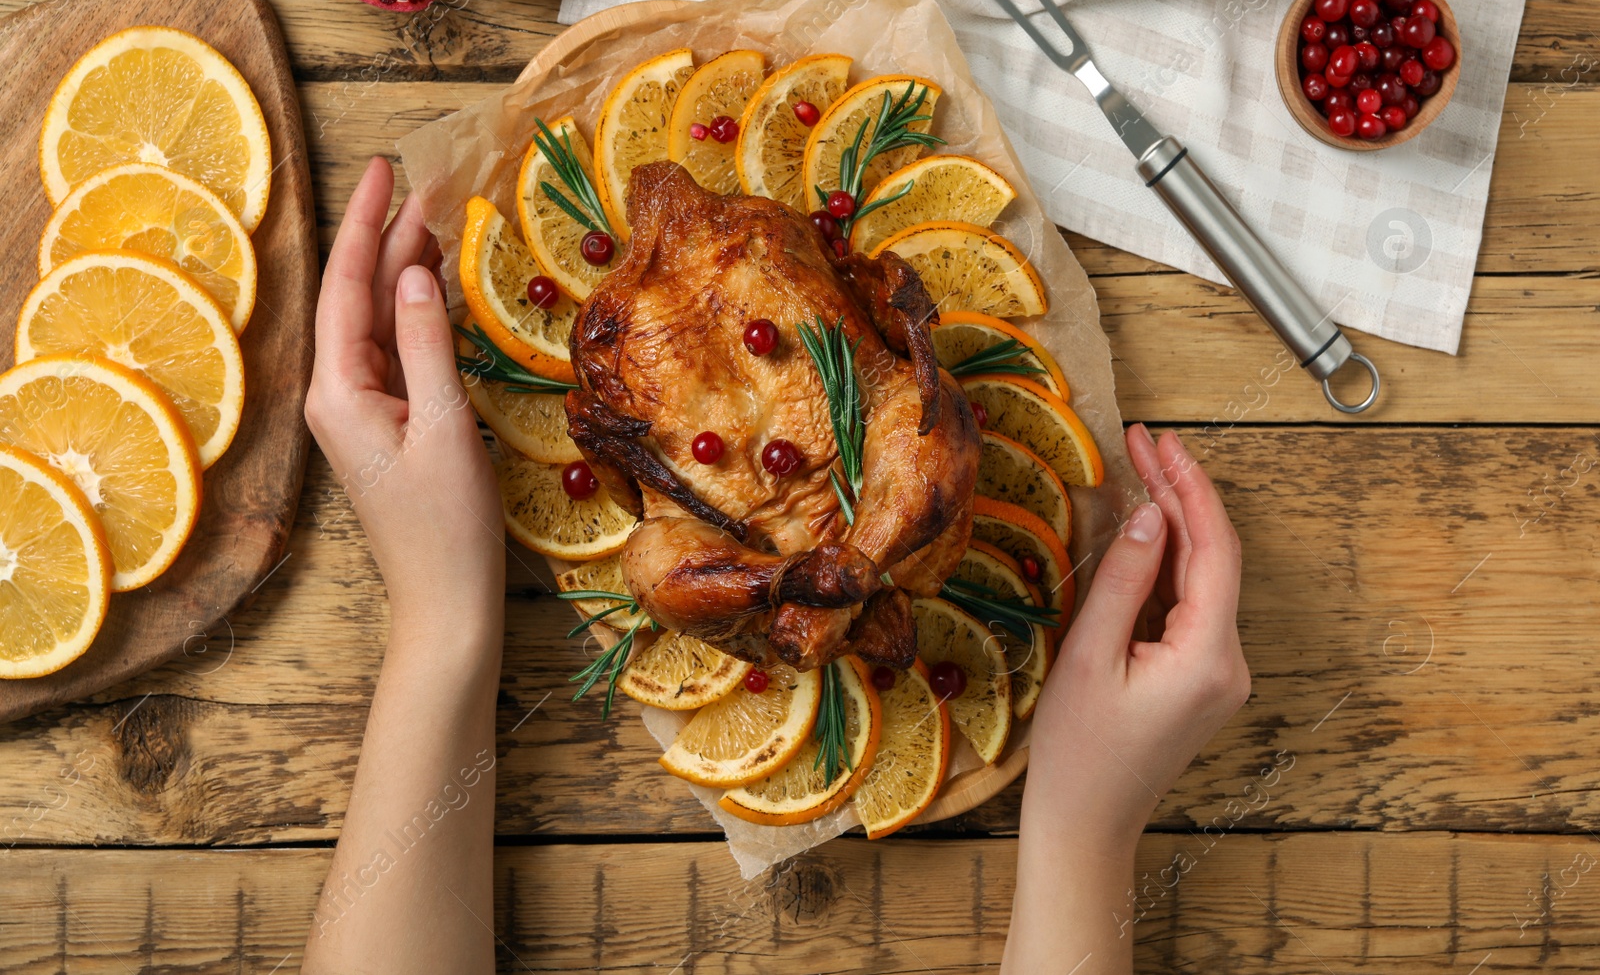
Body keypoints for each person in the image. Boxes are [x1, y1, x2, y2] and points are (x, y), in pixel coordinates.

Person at [301, 157, 1250, 975]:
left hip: (841, 500)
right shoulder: (661, 299)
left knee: (889, 445)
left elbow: (894, 345)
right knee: (667, 559)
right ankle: (820, 579)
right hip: (774, 537)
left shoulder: (700, 275)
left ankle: (832, 575)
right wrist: (1087, 832)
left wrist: (441, 615)